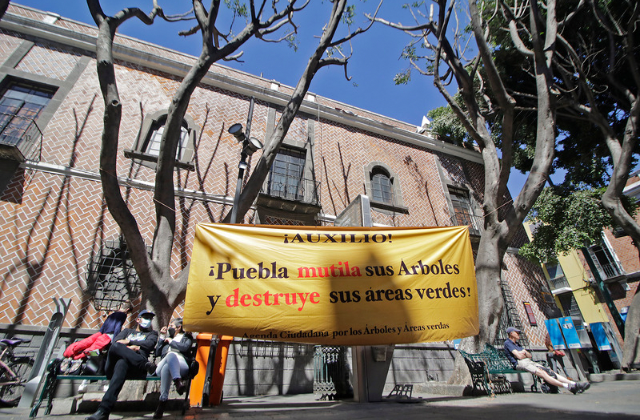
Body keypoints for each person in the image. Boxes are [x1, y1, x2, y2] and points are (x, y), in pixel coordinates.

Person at [86, 309, 158, 420]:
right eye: (145, 317)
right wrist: (132, 348)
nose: (148, 320)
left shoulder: (152, 334)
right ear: (138, 319)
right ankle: (145, 364)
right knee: (115, 349)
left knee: (122, 363)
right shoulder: (127, 331)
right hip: (116, 366)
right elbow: (116, 344)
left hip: (133, 369)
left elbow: (149, 344)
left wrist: (127, 343)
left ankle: (103, 411)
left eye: (150, 318)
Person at [504, 327, 589, 394]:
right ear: (511, 333)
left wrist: (524, 353)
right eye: (517, 332)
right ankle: (567, 386)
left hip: (528, 361)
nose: (519, 334)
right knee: (542, 373)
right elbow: (519, 356)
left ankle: (574, 384)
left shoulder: (517, 344)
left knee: (550, 371)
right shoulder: (508, 343)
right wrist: (523, 353)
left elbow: (529, 355)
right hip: (520, 364)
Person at [151, 318, 193, 419]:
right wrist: (162, 336)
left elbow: (184, 348)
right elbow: (157, 353)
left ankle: (162, 403)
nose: (170, 327)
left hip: (181, 364)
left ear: (179, 327)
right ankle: (178, 381)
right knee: (170, 356)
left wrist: (171, 342)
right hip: (161, 366)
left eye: (172, 326)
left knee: (167, 367)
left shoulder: (186, 337)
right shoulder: (166, 338)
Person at [64, 302, 131, 360]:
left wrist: (100, 332)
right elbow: (118, 327)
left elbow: (105, 324)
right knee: (95, 351)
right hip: (109, 336)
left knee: (85, 343)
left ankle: (70, 352)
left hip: (102, 333)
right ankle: (80, 357)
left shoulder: (112, 314)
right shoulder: (123, 315)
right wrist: (115, 339)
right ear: (127, 310)